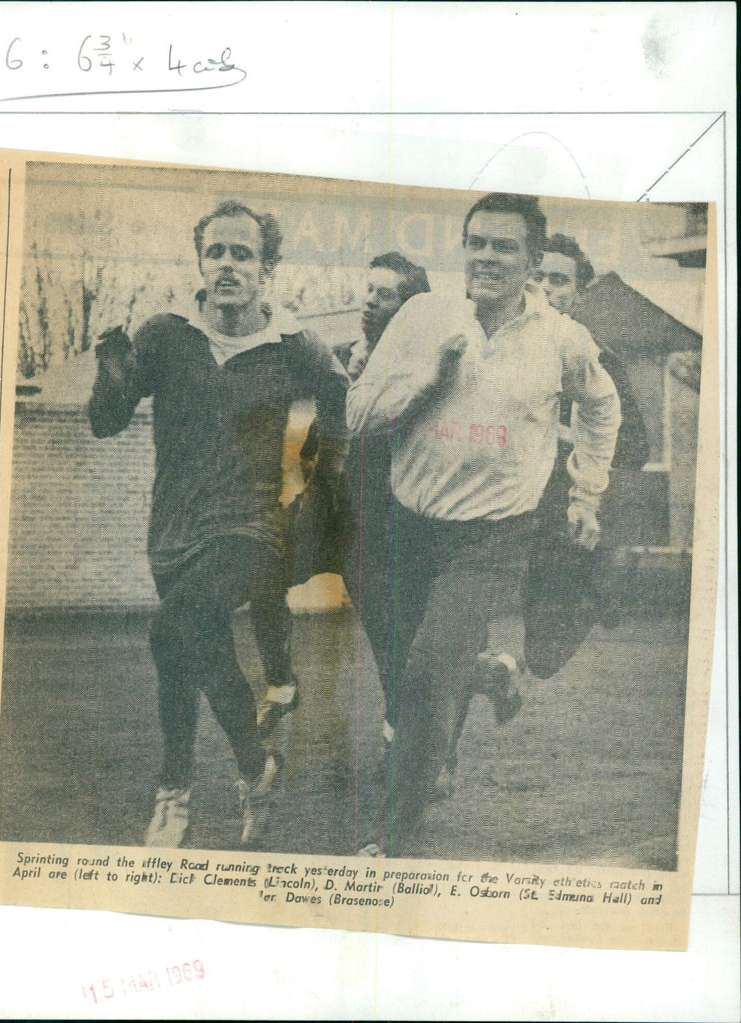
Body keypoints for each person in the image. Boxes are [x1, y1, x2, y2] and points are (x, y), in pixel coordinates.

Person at [347, 193, 621, 856]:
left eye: (505, 247)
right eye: (478, 243)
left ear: (530, 262)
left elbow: (602, 407)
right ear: (463, 249)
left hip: (496, 537)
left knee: (424, 671)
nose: (488, 257)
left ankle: (391, 835)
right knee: (414, 670)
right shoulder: (420, 317)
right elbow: (356, 415)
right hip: (410, 526)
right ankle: (484, 674)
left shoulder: (560, 337)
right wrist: (425, 382)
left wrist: (585, 496)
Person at [87, 201, 348, 848]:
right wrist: (112, 375)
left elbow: (338, 409)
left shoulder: (295, 348)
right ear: (201, 260)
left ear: (267, 269)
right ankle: (256, 768)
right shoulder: (166, 334)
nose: (228, 264)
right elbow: (106, 420)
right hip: (174, 531)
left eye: (243, 253)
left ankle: (173, 793)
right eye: (217, 252)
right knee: (186, 648)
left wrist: (314, 482)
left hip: (253, 528)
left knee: (174, 628)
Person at [269, 253, 431, 745]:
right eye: (368, 289)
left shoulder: (418, 369)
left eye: (384, 295)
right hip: (330, 508)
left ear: (408, 309)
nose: (369, 301)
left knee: (390, 637)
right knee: (261, 564)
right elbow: (309, 414)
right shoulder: (343, 355)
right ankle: (280, 681)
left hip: (386, 522)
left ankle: (407, 736)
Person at [523, 233, 650, 679]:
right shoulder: (493, 349)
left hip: (561, 512)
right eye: (537, 276)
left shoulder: (599, 359)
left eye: (559, 280)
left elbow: (636, 446)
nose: (545, 288)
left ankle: (602, 589)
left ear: (578, 295)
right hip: (499, 506)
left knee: (542, 657)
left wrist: (570, 446)